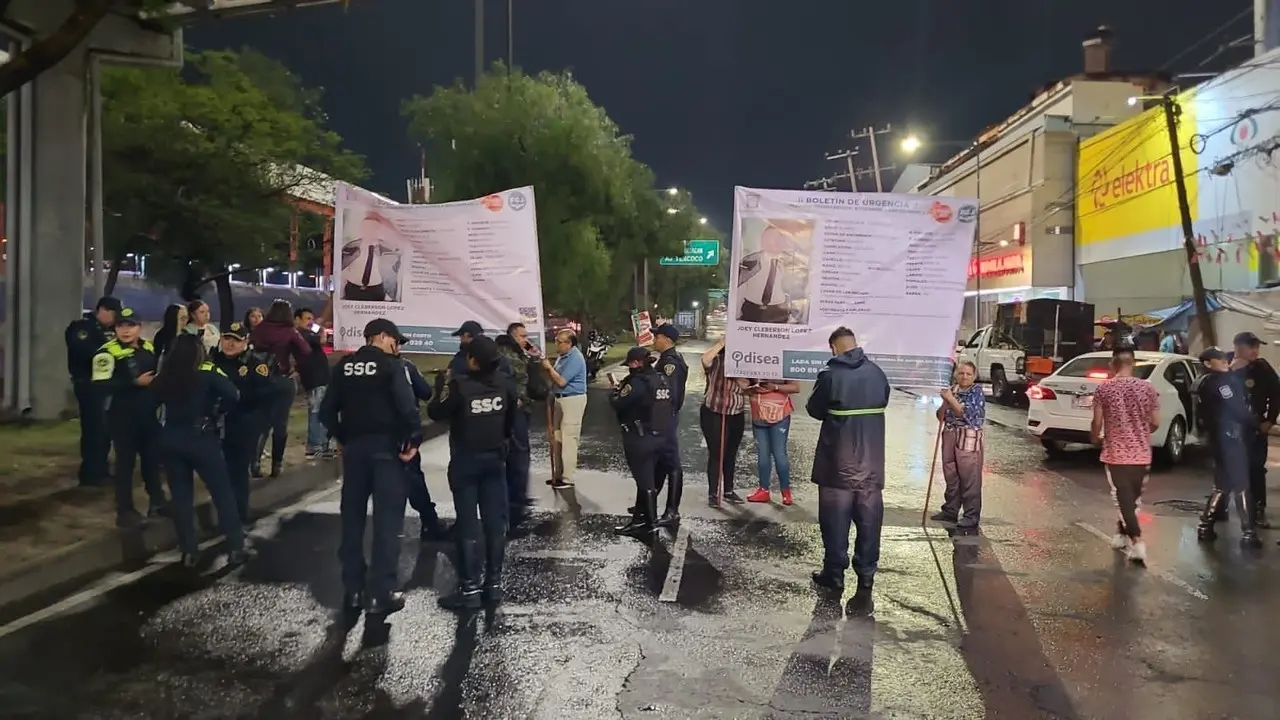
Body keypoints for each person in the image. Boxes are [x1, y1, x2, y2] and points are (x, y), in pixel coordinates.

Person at [320, 318, 422, 616]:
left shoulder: (344, 366)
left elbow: (326, 411)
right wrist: (413, 440)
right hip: (386, 452)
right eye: (396, 340)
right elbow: (407, 408)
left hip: (354, 452)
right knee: (387, 523)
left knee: (352, 522)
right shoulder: (392, 367)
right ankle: (381, 593)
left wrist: (343, 437)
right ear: (381, 336)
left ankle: (353, 590)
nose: (397, 346)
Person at [427, 335, 518, 610]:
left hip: (466, 462)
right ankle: (493, 585)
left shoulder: (460, 387)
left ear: (473, 361)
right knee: (494, 524)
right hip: (495, 460)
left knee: (467, 524)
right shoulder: (506, 385)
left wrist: (441, 384)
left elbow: (435, 411)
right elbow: (510, 422)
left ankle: (469, 588)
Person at [807, 326, 889, 616]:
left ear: (833, 348)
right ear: (855, 344)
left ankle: (835, 574)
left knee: (834, 523)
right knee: (869, 523)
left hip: (836, 466)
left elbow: (814, 409)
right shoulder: (877, 373)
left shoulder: (830, 376)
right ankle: (866, 576)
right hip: (870, 467)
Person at [151, 334, 250, 568]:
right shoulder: (206, 369)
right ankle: (236, 546)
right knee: (222, 492)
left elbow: (150, 403)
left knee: (181, 497)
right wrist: (216, 411)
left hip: (172, 437)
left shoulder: (166, 373)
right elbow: (233, 394)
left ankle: (189, 551)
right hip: (201, 437)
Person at [92, 308, 169, 528]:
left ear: (139, 327)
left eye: (130, 325)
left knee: (152, 461)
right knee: (125, 465)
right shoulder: (106, 353)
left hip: (147, 415)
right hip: (122, 417)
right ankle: (124, 511)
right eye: (121, 326)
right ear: (115, 328)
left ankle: (157, 502)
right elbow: (99, 385)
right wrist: (133, 383)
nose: (125, 330)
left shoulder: (148, 347)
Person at [1090, 346, 1160, 564]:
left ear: (1113, 365)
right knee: (1131, 500)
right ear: (1133, 364)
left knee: (1124, 501)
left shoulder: (1104, 389)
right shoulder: (1148, 389)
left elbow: (1097, 422)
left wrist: (1095, 437)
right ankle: (1121, 534)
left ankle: (1137, 541)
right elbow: (1156, 422)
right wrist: (1139, 432)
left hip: (1116, 454)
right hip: (1142, 454)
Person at [1194, 347, 1261, 547]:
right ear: (1208, 363)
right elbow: (1237, 409)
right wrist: (1256, 423)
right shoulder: (1220, 383)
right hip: (1230, 437)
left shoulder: (1204, 381)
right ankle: (1248, 533)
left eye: (1224, 358)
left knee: (1222, 484)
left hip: (1217, 438)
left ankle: (1205, 526)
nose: (1224, 361)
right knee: (1240, 485)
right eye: (1218, 359)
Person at [210, 322, 273, 525]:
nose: (230, 343)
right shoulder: (212, 361)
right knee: (219, 473)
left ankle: (239, 514)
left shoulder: (255, 365)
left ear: (245, 342)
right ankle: (225, 515)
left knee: (237, 472)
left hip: (241, 425)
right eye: (227, 338)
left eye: (235, 340)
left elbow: (265, 397)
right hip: (212, 425)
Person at [609, 346, 673, 535]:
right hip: (661, 436)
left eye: (630, 363)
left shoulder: (636, 382)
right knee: (649, 480)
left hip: (639, 437)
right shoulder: (661, 379)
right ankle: (641, 517)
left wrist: (614, 392)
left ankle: (648, 524)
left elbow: (618, 403)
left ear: (636, 363)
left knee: (644, 481)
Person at [251, 299, 311, 477]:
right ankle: (276, 465)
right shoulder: (290, 332)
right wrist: (296, 367)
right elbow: (306, 351)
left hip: (260, 380)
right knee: (281, 424)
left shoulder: (260, 329)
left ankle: (254, 463)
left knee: (261, 424)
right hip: (283, 379)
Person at [66, 295, 120, 488]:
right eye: (113, 314)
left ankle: (101, 468)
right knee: (93, 429)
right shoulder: (82, 328)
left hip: (105, 386)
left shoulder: (107, 331)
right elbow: (88, 352)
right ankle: (90, 472)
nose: (115, 319)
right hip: (88, 385)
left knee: (104, 430)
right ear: (103, 310)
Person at [1230, 331, 1280, 529]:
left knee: (1257, 468)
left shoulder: (1263, 368)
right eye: (1252, 347)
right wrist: (1230, 370)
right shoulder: (1225, 365)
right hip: (1231, 427)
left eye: (1257, 347)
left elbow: (1277, 394)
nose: (1256, 351)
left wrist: (1270, 419)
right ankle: (1220, 508)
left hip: (1256, 426)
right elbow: (1209, 388)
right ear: (1239, 348)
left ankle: (1258, 510)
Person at [930, 360, 986, 531]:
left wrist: (950, 399)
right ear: (956, 374)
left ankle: (971, 516)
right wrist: (945, 402)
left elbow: (968, 414)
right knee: (951, 476)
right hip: (950, 435)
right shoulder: (952, 390)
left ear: (974, 376)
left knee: (970, 479)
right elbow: (941, 416)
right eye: (961, 373)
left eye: (968, 374)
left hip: (968, 438)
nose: (964, 377)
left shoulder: (976, 392)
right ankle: (950, 510)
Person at [398, 350, 447, 540]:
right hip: (403, 433)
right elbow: (425, 393)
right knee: (413, 479)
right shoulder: (405, 367)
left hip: (371, 437)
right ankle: (430, 523)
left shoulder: (356, 367)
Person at [700, 338, 748, 506]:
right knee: (717, 453)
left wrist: (737, 374)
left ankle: (728, 490)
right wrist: (722, 342)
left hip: (736, 413)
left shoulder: (747, 363)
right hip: (714, 411)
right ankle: (713, 493)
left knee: (730, 453)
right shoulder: (718, 361)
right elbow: (705, 360)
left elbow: (746, 384)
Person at [496, 322, 535, 525]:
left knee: (517, 453)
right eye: (522, 336)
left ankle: (516, 496)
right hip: (516, 408)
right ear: (512, 335)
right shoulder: (507, 354)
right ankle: (516, 499)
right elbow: (515, 379)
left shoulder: (517, 352)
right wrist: (516, 399)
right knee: (519, 454)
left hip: (519, 407)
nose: (525, 339)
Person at [650, 324, 689, 525]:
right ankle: (648, 504)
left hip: (665, 418)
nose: (654, 340)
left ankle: (672, 511)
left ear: (666, 339)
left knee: (672, 464)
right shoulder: (665, 360)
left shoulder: (670, 363)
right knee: (660, 462)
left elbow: (668, 394)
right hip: (662, 418)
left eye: (656, 336)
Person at [745, 376, 801, 506]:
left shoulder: (785, 361)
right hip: (758, 414)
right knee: (763, 454)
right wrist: (750, 388)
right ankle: (763, 489)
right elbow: (743, 384)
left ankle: (786, 492)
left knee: (779, 453)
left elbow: (796, 387)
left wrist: (775, 387)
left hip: (780, 414)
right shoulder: (752, 359)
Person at [544, 329, 588, 489]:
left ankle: (568, 478)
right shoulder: (563, 357)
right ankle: (558, 474)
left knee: (569, 439)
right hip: (559, 399)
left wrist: (549, 368)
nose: (557, 344)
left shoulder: (575, 358)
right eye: (556, 340)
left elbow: (561, 381)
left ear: (569, 343)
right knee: (557, 438)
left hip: (572, 399)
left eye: (559, 341)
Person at [294, 307, 333, 459]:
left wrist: (318, 325)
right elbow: (321, 339)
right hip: (315, 378)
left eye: (311, 318)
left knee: (320, 410)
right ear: (297, 319)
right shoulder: (301, 333)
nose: (310, 322)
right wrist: (322, 329)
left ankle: (320, 444)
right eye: (307, 319)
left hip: (318, 377)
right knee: (317, 412)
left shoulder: (306, 333)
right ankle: (315, 446)